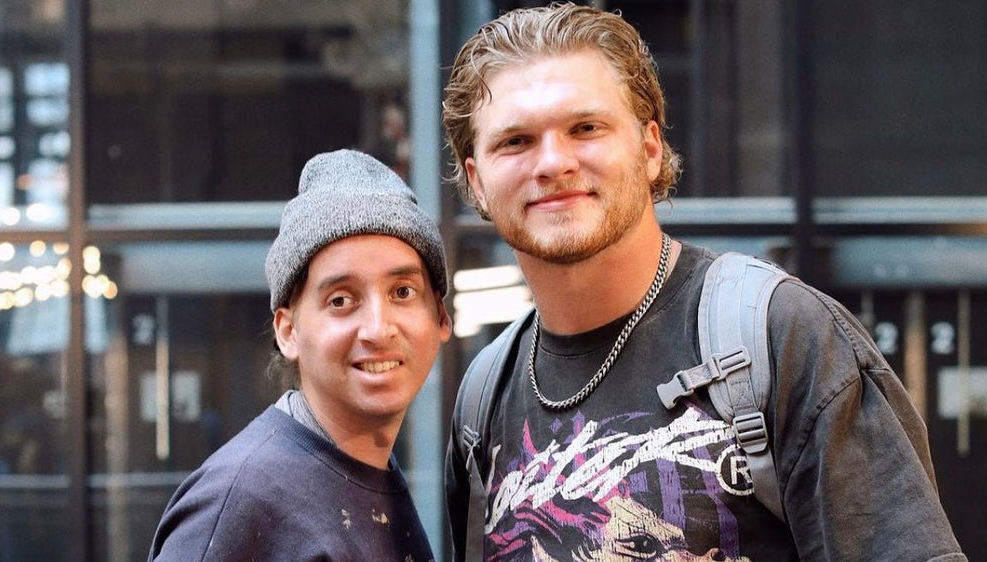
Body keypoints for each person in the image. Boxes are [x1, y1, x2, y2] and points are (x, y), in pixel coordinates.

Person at [441, 3, 966, 561]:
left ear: (647, 149)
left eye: (586, 128)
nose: (553, 162)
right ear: (476, 179)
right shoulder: (483, 397)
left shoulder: (781, 337)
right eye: (515, 142)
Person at [149, 149, 451, 561]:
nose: (379, 328)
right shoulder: (239, 503)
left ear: (441, 317)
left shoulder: (375, 477)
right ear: (288, 331)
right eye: (341, 300)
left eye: (402, 292)